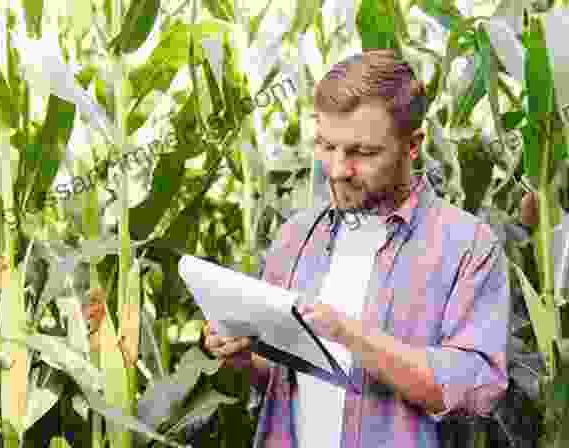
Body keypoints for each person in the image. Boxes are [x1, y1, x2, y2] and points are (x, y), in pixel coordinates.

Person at [205, 49, 511, 448]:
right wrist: (244, 355)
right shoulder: (296, 237)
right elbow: (283, 378)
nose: (336, 169)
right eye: (326, 146)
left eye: (361, 152)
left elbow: (475, 388)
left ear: (413, 145)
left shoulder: (467, 245)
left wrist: (349, 334)